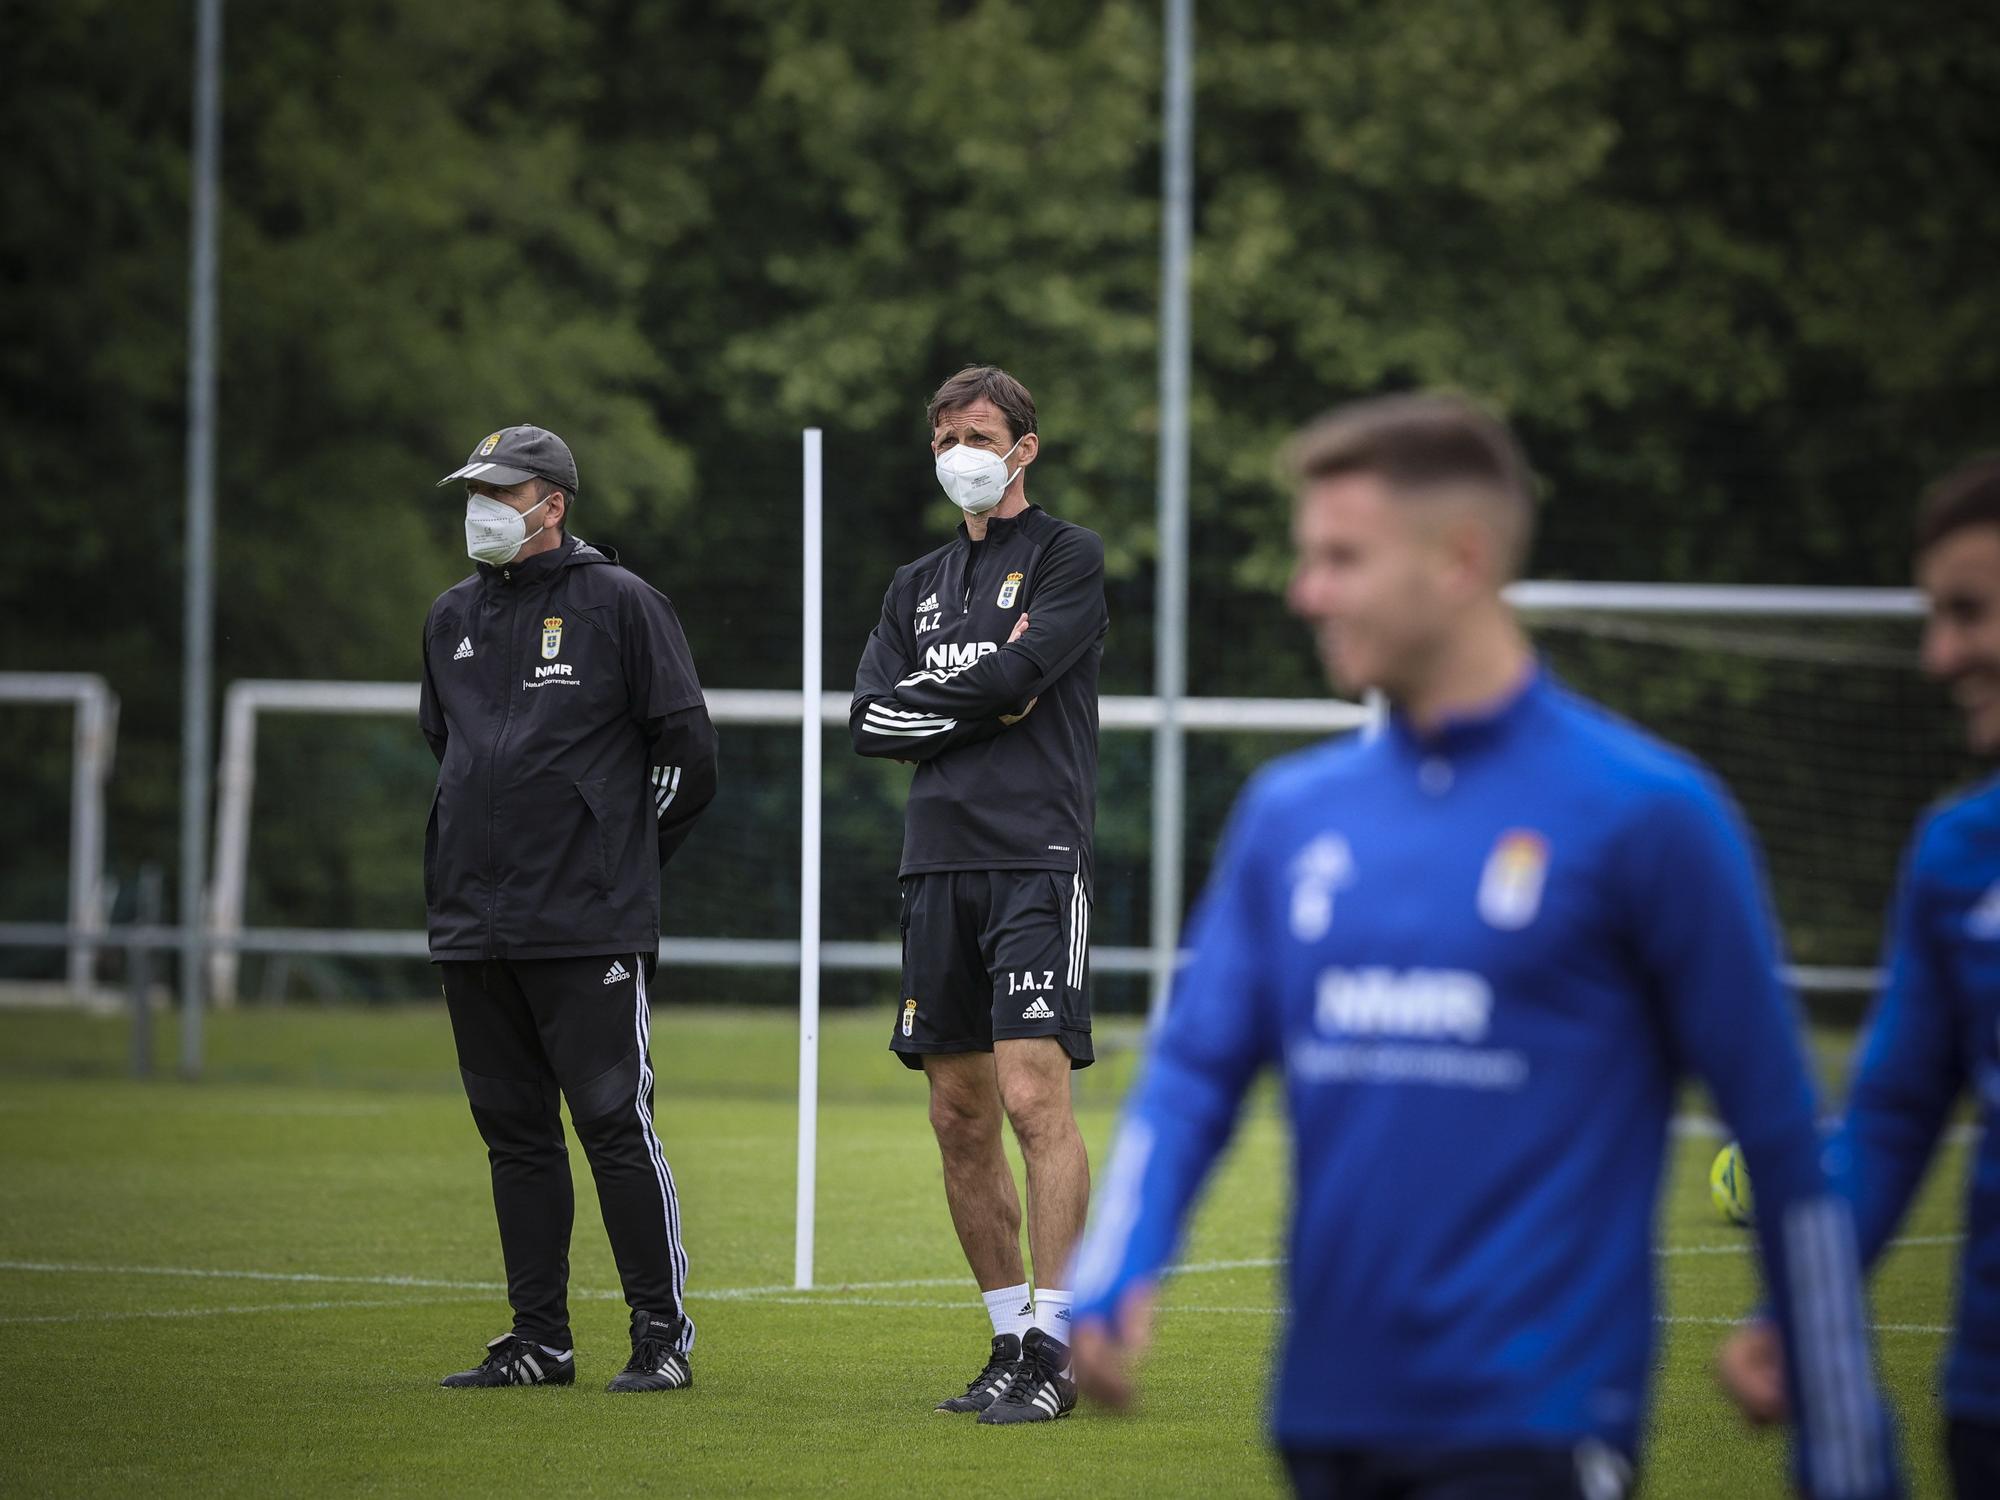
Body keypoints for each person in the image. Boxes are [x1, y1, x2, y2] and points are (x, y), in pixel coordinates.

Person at [1067, 393, 1900, 1498]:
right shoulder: (1289, 815)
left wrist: (1845, 1460)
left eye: (1339, 557)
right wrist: (1117, 1265)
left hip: (1537, 1427)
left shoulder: (1647, 815)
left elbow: (1780, 1136)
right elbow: (1190, 1073)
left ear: (1458, 558)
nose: (1301, 590)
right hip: (1325, 1423)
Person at [1720, 455, 2000, 1497]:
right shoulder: (1956, 855)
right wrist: (1795, 1306)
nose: (1938, 655)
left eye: (1967, 613)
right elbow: (1886, 1117)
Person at [419, 423, 718, 1392]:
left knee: (612, 1125)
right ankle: (538, 1340)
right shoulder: (448, 616)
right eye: (474, 490)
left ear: (551, 503)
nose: (481, 509)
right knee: (513, 1133)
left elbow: (689, 759)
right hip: (475, 921)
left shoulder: (621, 606)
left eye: (499, 493)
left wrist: (613, 861)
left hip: (588, 921)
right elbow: (453, 754)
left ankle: (658, 1337)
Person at [849, 365, 1108, 1423]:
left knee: (1033, 1099)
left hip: (1035, 859)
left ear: (1022, 449)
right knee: (956, 1115)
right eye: (946, 433)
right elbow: (868, 718)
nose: (961, 446)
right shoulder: (910, 584)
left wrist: (953, 698)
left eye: (981, 431)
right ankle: (1005, 1341)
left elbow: (1023, 676)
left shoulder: (1065, 556)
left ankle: (1056, 1344)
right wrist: (975, 700)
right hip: (933, 866)